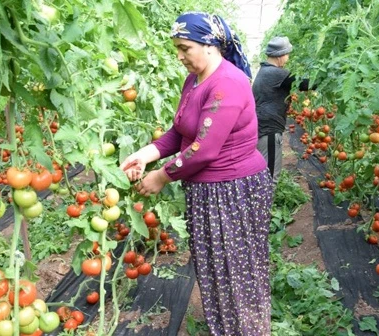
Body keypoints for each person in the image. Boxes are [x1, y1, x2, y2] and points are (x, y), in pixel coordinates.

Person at [119, 12, 273, 336]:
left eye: (185, 47)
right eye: (177, 48)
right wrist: (145, 155)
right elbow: (180, 132)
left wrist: (160, 177)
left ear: (210, 44)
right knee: (215, 270)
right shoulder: (195, 80)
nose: (179, 56)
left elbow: (203, 149)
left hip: (233, 192)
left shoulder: (227, 83)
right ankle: (225, 329)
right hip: (209, 191)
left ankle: (247, 330)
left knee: (236, 272)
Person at [252, 36, 312, 184]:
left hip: (262, 128)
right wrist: (328, 76)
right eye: (287, 54)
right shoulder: (276, 73)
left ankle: (260, 203)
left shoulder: (265, 71)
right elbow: (305, 83)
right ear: (281, 55)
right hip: (269, 131)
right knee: (270, 176)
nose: (288, 58)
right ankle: (264, 206)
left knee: (264, 171)